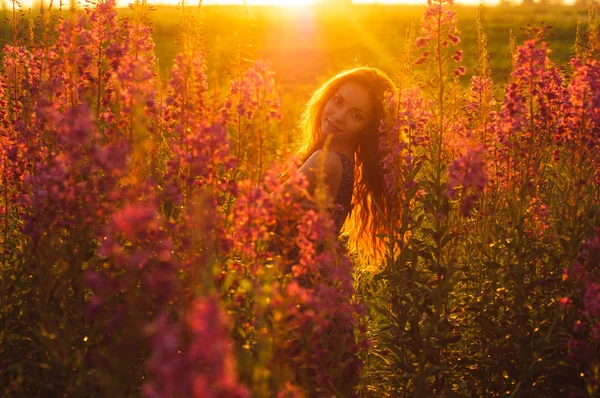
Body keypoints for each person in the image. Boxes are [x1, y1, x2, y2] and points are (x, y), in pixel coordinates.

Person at [279, 66, 397, 265]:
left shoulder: (326, 161)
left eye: (356, 115)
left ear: (368, 130)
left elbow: (255, 215)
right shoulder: (345, 166)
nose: (339, 115)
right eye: (337, 101)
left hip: (281, 285)